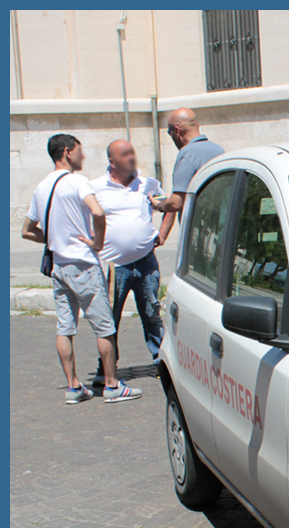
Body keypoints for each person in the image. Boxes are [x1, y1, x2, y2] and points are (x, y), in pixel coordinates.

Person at [21, 134, 142, 405]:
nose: (82, 156)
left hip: (59, 267)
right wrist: (97, 242)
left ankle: (74, 387)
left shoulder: (41, 187)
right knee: (104, 326)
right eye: (79, 151)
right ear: (67, 152)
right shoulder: (77, 182)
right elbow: (98, 212)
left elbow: (27, 231)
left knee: (65, 327)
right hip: (83, 265)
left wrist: (53, 238)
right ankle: (111, 385)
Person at [91, 140, 165, 377]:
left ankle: (163, 361)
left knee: (153, 315)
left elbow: (169, 206)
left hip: (146, 263)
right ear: (112, 162)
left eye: (132, 152)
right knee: (110, 321)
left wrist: (162, 234)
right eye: (125, 154)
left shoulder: (149, 184)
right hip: (114, 267)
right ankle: (107, 368)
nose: (132, 158)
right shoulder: (96, 188)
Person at [152, 107, 224, 241]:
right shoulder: (218, 150)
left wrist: (159, 205)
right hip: (219, 229)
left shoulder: (187, 154)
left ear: (177, 130)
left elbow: (176, 203)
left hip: (198, 233)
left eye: (170, 133)